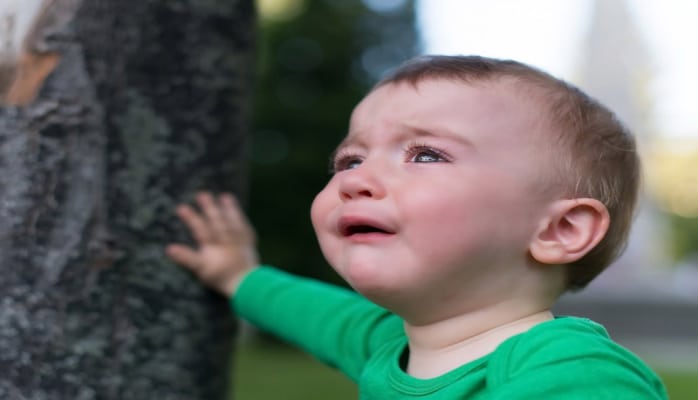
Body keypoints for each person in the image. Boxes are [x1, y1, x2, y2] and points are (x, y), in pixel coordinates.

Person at [166, 55, 667, 399]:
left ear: (559, 229)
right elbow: (312, 313)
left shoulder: (571, 370)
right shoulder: (390, 342)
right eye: (348, 160)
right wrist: (236, 276)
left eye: (425, 154)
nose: (357, 179)